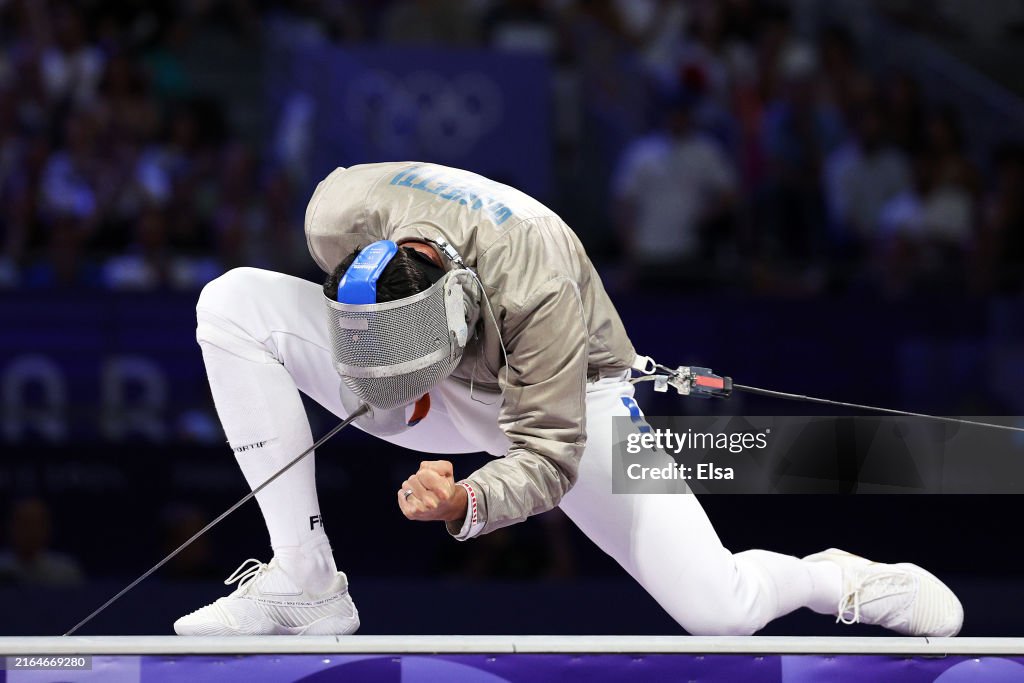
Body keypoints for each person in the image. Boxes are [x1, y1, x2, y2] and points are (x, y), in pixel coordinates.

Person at [174, 161, 963, 637]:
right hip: (414, 370)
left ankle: (837, 579)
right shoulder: (337, 215)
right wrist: (382, 368)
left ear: (459, 313)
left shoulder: (537, 284)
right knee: (232, 302)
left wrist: (464, 499)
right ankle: (305, 578)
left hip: (564, 398)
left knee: (720, 610)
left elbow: (549, 456)